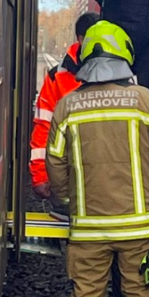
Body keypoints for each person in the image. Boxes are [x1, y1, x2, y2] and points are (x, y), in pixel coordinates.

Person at [46, 20, 149, 297]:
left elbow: (56, 164)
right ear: (125, 54)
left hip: (88, 230)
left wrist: (69, 203)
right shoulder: (146, 102)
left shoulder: (67, 106)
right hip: (142, 229)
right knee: (142, 294)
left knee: (86, 295)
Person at [30, 12, 99, 221]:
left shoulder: (121, 73)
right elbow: (43, 128)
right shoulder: (56, 78)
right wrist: (40, 176)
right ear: (80, 39)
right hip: (72, 180)